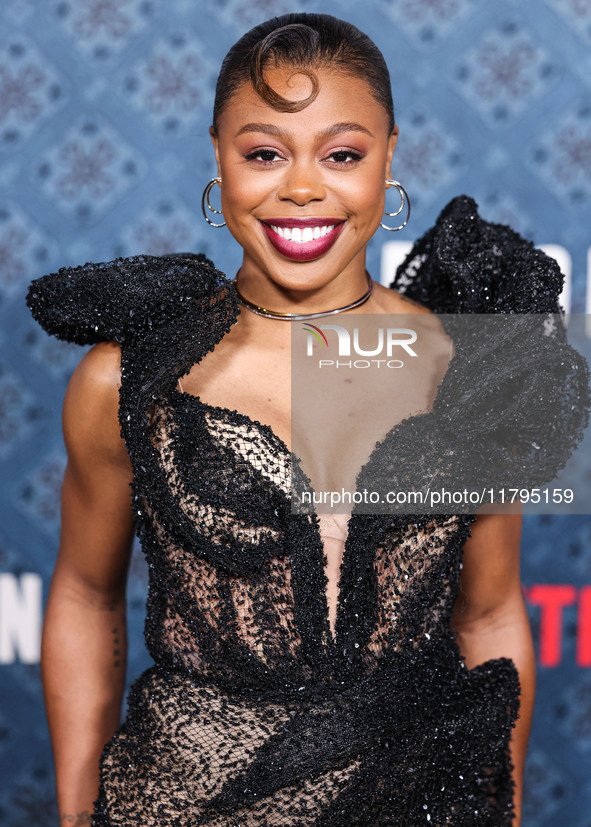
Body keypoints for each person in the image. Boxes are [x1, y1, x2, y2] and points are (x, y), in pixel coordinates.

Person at [26, 12, 588, 827]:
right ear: (217, 157)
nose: (301, 186)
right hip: (182, 806)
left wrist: (499, 808)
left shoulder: (477, 366)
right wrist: (78, 814)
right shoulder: (126, 376)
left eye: (342, 154)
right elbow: (83, 592)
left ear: (389, 154)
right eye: (263, 153)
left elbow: (490, 612)